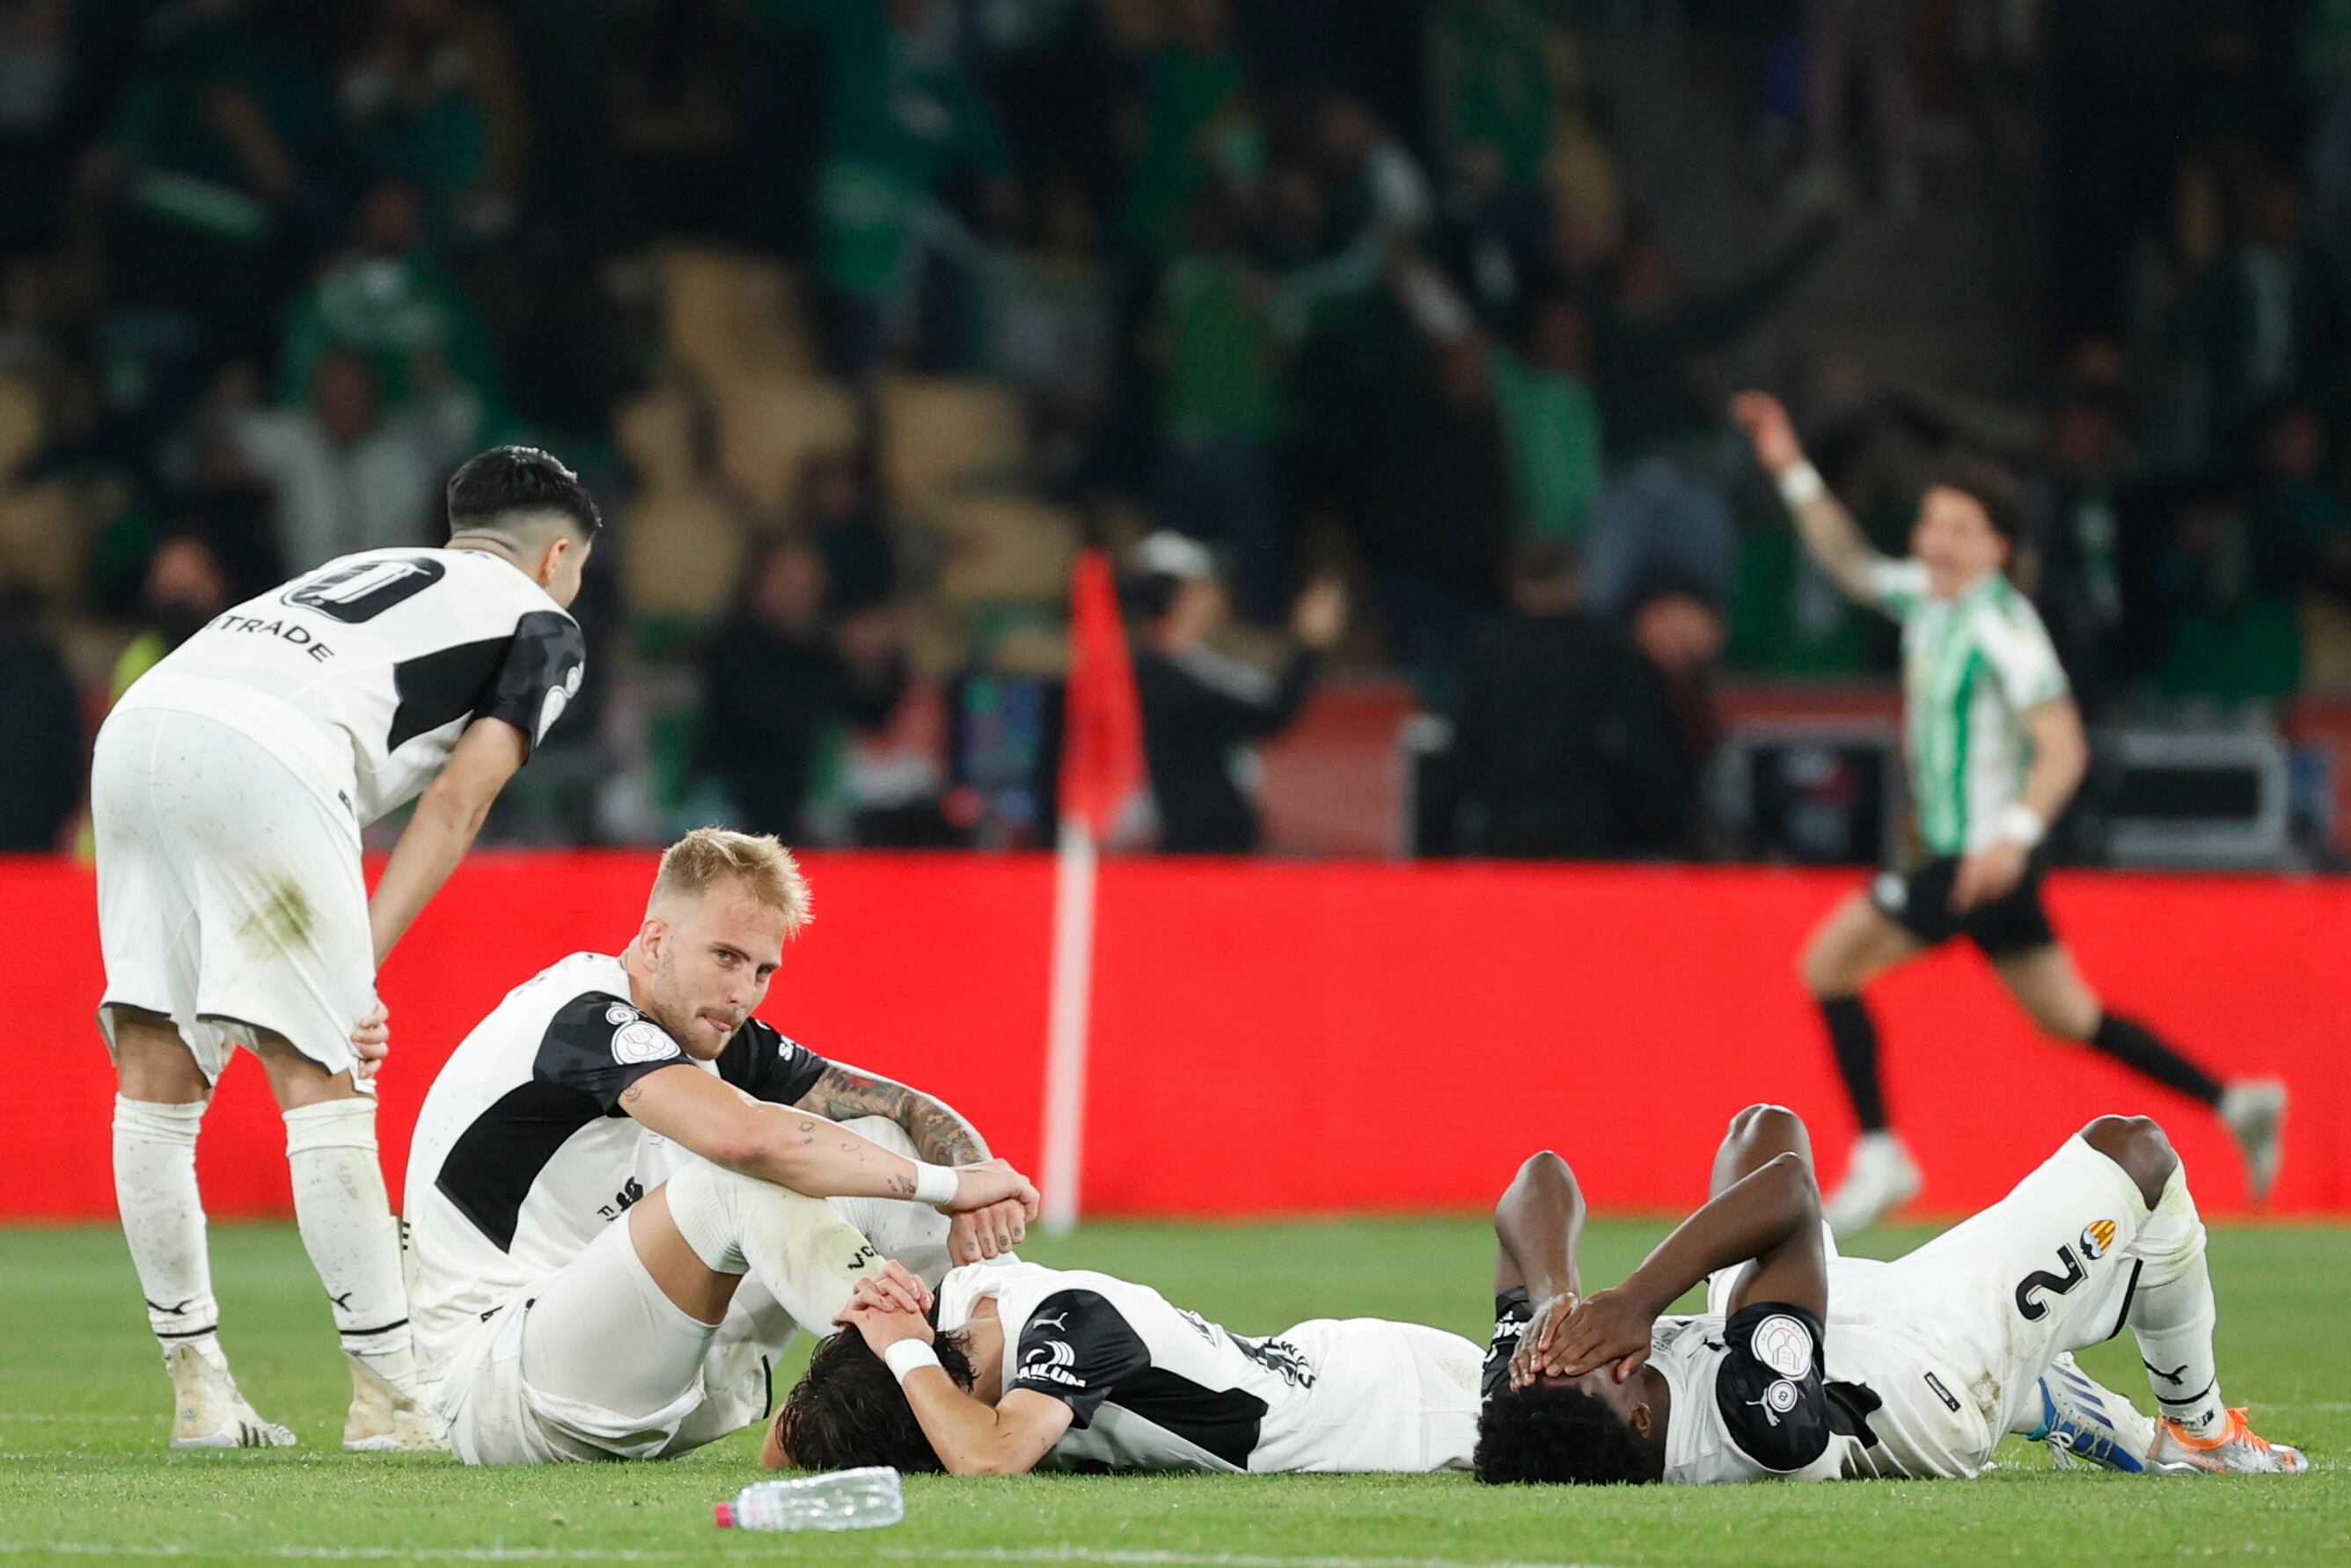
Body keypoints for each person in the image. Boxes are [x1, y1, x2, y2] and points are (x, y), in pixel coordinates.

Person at [92, 446, 598, 1452]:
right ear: (553, 558)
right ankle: (391, 1397)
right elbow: (458, 804)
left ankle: (199, 1385)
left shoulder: (364, 567)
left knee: (157, 1070)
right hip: (271, 758)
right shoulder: (545, 623)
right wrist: (352, 969)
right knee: (324, 1080)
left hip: (141, 722)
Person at [1731, 391, 2288, 1232]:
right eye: (1930, 525)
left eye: (1958, 530)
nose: (1936, 544)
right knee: (2070, 1017)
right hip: (1974, 862)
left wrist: (2013, 839)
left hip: (1973, 859)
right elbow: (1848, 564)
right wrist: (1789, 465)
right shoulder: (1929, 601)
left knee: (1828, 964)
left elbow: (2063, 745)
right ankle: (2234, 1100)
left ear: (1998, 545)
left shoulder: (2005, 628)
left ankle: (1882, 1153)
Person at [402, 827, 1039, 1465]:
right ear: (656, 941)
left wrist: (967, 1172)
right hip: (502, 1387)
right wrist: (953, 1188)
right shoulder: (580, 1019)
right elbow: (744, 1139)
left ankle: (1034, 1365)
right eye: (726, 957)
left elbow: (899, 1105)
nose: (744, 993)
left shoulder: (711, 1029)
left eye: (763, 970)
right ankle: (922, 1388)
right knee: (738, 1176)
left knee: (878, 1140)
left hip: (645, 1369)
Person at [1473, 1103, 2309, 1484]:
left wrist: (1555, 1299)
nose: (1577, 1343)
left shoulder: (1534, 1387)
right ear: (1642, 1416)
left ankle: (2052, 1397)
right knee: (2137, 1155)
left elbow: (1535, 1181)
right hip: (1935, 1364)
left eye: (1551, 1349)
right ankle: (2195, 1429)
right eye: (1586, 1356)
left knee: (1757, 1126)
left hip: (1817, 1330)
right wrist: (1639, 1301)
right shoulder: (1754, 1419)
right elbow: (1794, 1195)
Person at [771, 1254, 1483, 1476]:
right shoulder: (956, 1310)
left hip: (1409, 1407)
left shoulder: (1074, 1320)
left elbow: (988, 1457)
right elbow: (783, 1451)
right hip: (1341, 1365)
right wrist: (881, 1330)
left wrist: (899, 1348)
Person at [1434, 542, 1688, 859]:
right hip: (1591, 834)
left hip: (1508, 832)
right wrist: (1665, 830)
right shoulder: (1609, 648)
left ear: (1515, 583)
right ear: (1575, 580)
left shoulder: (1488, 650)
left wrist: (1437, 838)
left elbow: (1464, 747)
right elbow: (1641, 745)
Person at [1130, 531, 1346, 854]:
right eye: (1205, 585)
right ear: (1176, 597)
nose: (1219, 594)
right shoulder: (1159, 677)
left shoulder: (1199, 663)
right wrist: (1309, 647)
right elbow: (1269, 716)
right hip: (1194, 847)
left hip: (1219, 837)